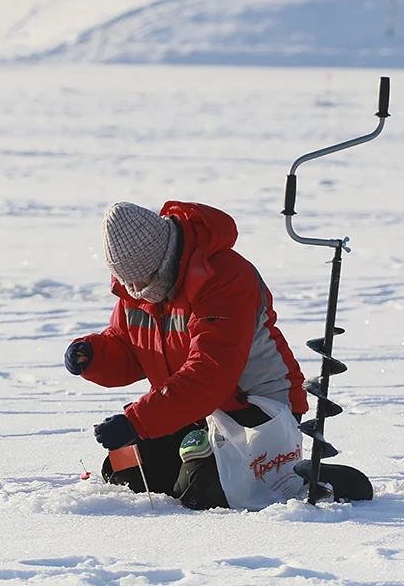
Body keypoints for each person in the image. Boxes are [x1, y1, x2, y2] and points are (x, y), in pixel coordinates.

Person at [63, 201, 309, 510]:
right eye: (128, 283)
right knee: (122, 469)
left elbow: (209, 374)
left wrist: (137, 420)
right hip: (196, 413)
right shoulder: (138, 290)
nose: (136, 291)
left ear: (163, 258)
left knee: (197, 490)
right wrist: (93, 356)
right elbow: (129, 346)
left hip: (258, 410)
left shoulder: (224, 277)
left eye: (143, 280)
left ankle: (303, 481)